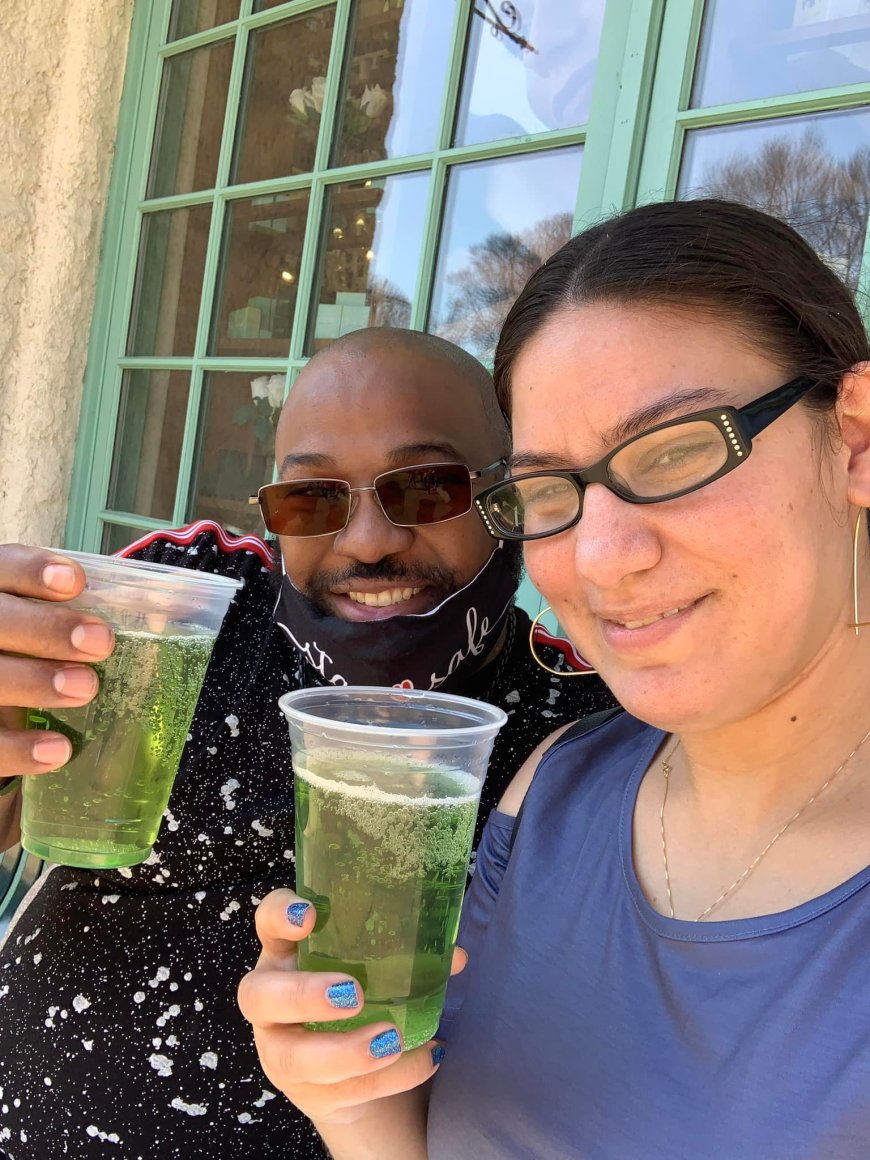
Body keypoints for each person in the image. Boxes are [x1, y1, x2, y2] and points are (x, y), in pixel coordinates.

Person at [239, 198, 870, 1159]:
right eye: (548, 490)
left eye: (676, 450)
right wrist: (351, 1104)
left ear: (855, 437)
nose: (603, 557)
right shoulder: (553, 791)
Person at [0, 328, 615, 1159]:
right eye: (312, 499)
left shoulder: (586, 730)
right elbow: (15, 814)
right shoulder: (186, 604)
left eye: (425, 487)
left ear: (506, 499)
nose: (366, 541)